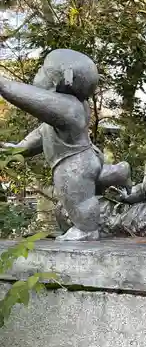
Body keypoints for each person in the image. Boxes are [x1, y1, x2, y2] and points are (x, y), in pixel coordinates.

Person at [0, 49, 131, 241]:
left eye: (42, 71)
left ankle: (87, 228)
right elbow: (40, 135)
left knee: (77, 197)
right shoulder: (68, 110)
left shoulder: (69, 107)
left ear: (62, 79)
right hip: (86, 158)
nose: (37, 75)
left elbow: (26, 96)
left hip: (73, 164)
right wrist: (19, 148)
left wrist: (4, 85)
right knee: (90, 181)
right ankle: (118, 172)